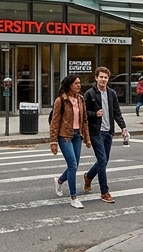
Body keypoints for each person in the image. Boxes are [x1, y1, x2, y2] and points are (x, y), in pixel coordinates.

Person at [84, 67, 129, 202]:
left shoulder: (112, 93)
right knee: (102, 160)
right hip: (96, 132)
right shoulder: (90, 94)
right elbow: (84, 113)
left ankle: (89, 176)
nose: (103, 79)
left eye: (106, 77)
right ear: (96, 78)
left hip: (108, 131)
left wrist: (123, 127)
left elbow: (116, 112)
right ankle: (105, 192)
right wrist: (94, 114)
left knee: (104, 161)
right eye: (101, 77)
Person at [50, 74, 92, 209]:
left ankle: (60, 180)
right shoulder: (60, 100)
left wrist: (87, 138)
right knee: (73, 164)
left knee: (75, 165)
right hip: (65, 136)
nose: (79, 85)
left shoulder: (81, 99)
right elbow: (55, 122)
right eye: (76, 83)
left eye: (79, 83)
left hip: (77, 135)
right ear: (69, 85)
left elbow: (84, 120)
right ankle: (74, 197)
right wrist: (53, 142)